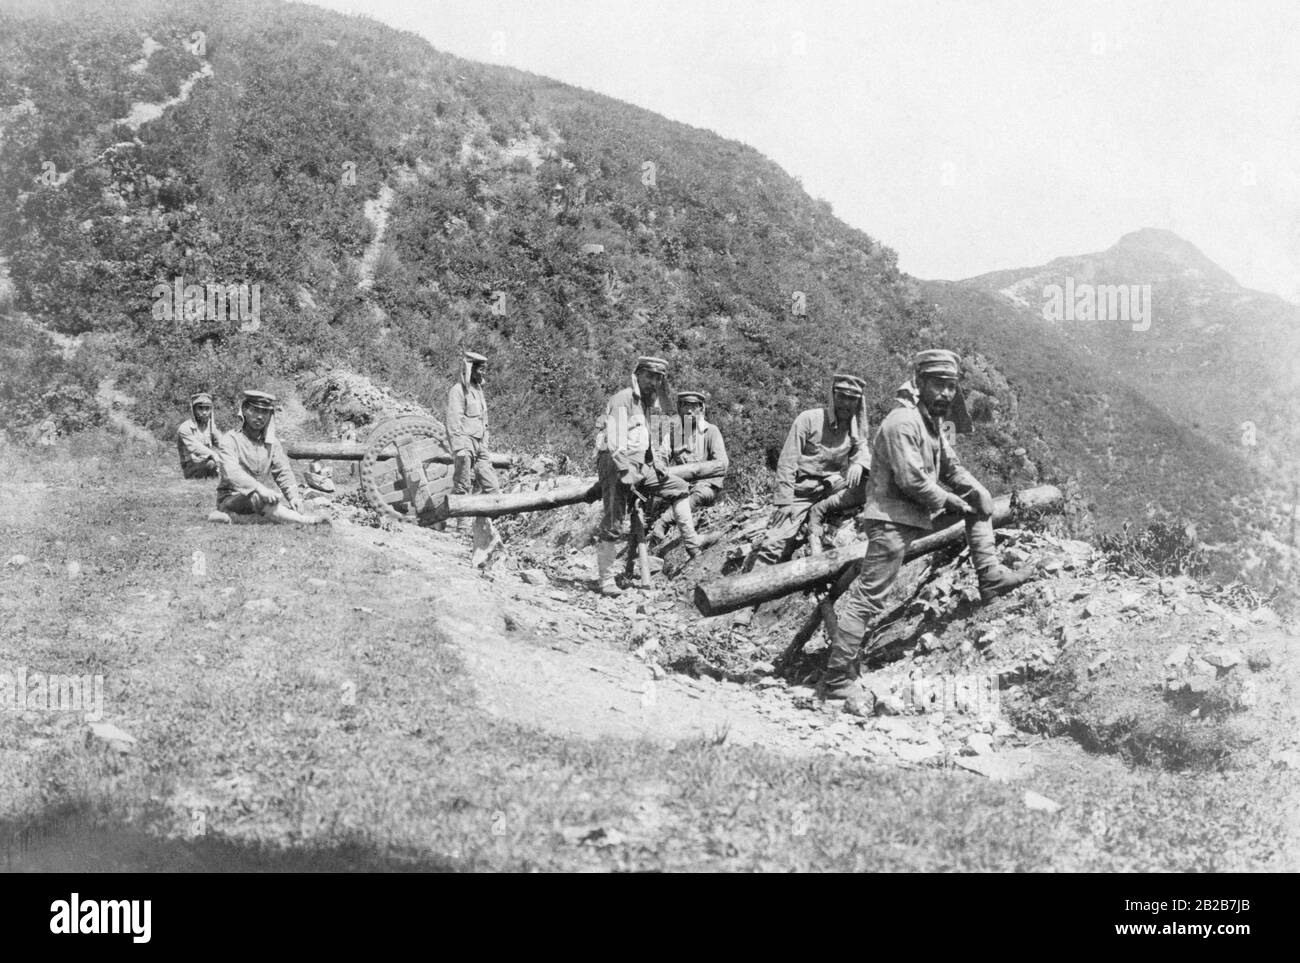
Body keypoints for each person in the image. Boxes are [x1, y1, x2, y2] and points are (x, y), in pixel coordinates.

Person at [820, 350, 1035, 698]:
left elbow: (951, 467)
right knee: (868, 599)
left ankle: (991, 578)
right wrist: (953, 500)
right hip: (891, 520)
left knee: (977, 507)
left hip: (917, 515)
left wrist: (976, 491)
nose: (946, 394)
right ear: (919, 384)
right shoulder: (902, 422)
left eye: (951, 387)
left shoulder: (930, 423)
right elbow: (913, 481)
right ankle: (836, 680)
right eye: (938, 385)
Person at [733, 373, 871, 625]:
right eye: (841, 397)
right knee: (775, 542)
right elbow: (787, 462)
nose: (846, 404)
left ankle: (821, 511)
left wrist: (860, 463)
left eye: (852, 399)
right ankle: (747, 604)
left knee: (870, 481)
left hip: (830, 489)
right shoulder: (808, 419)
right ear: (833, 396)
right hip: (799, 492)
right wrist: (785, 502)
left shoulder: (854, 427)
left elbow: (863, 449)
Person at [592, 356, 698, 595]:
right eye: (649, 376)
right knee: (614, 522)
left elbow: (657, 441)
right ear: (637, 375)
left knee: (678, 486)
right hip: (615, 464)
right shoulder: (624, 399)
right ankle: (605, 580)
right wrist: (624, 472)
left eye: (658, 378)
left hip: (641, 467)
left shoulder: (655, 406)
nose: (653, 382)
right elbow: (614, 440)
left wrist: (657, 463)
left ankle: (692, 544)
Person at [211, 390, 327, 525]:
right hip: (231, 499)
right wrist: (259, 488)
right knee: (259, 497)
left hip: (257, 500)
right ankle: (308, 521)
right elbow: (232, 472)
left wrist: (294, 497)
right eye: (255, 410)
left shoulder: (272, 444)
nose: (260, 416)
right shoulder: (230, 440)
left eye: (265, 412)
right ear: (245, 410)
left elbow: (283, 471)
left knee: (265, 501)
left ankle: (234, 519)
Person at [649, 390, 728, 545]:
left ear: (701, 409)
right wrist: (659, 466)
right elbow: (662, 455)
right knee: (652, 495)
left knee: (698, 494)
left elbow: (722, 464)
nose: (690, 410)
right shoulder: (674, 434)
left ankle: (664, 523)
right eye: (685, 406)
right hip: (680, 484)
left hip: (706, 486)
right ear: (679, 409)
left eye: (694, 406)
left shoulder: (711, 431)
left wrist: (703, 477)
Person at [446, 351, 500, 501]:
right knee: (462, 487)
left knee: (492, 487)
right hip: (465, 444)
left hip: (480, 446)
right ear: (471, 368)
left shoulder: (478, 391)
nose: (484, 373)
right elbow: (453, 421)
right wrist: (459, 449)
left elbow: (484, 421)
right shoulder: (457, 391)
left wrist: (485, 445)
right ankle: (460, 524)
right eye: (481, 369)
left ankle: (485, 522)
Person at [176, 392, 221, 478]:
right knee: (211, 464)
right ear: (194, 409)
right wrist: (214, 455)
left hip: (207, 460)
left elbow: (221, 442)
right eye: (200, 408)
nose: (204, 412)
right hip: (191, 466)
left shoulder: (210, 425)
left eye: (207, 408)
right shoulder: (185, 428)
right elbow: (195, 447)